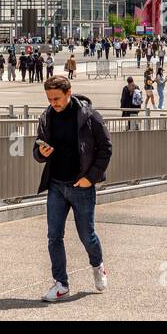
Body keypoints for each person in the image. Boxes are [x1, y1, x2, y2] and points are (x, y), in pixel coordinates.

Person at [33, 76, 112, 301]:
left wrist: (92, 178)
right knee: (53, 236)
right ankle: (61, 284)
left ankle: (98, 265)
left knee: (87, 235)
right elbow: (37, 148)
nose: (53, 103)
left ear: (69, 93)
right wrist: (41, 153)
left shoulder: (89, 116)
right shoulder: (47, 116)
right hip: (56, 184)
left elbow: (106, 148)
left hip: (81, 185)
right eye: (49, 99)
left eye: (57, 98)